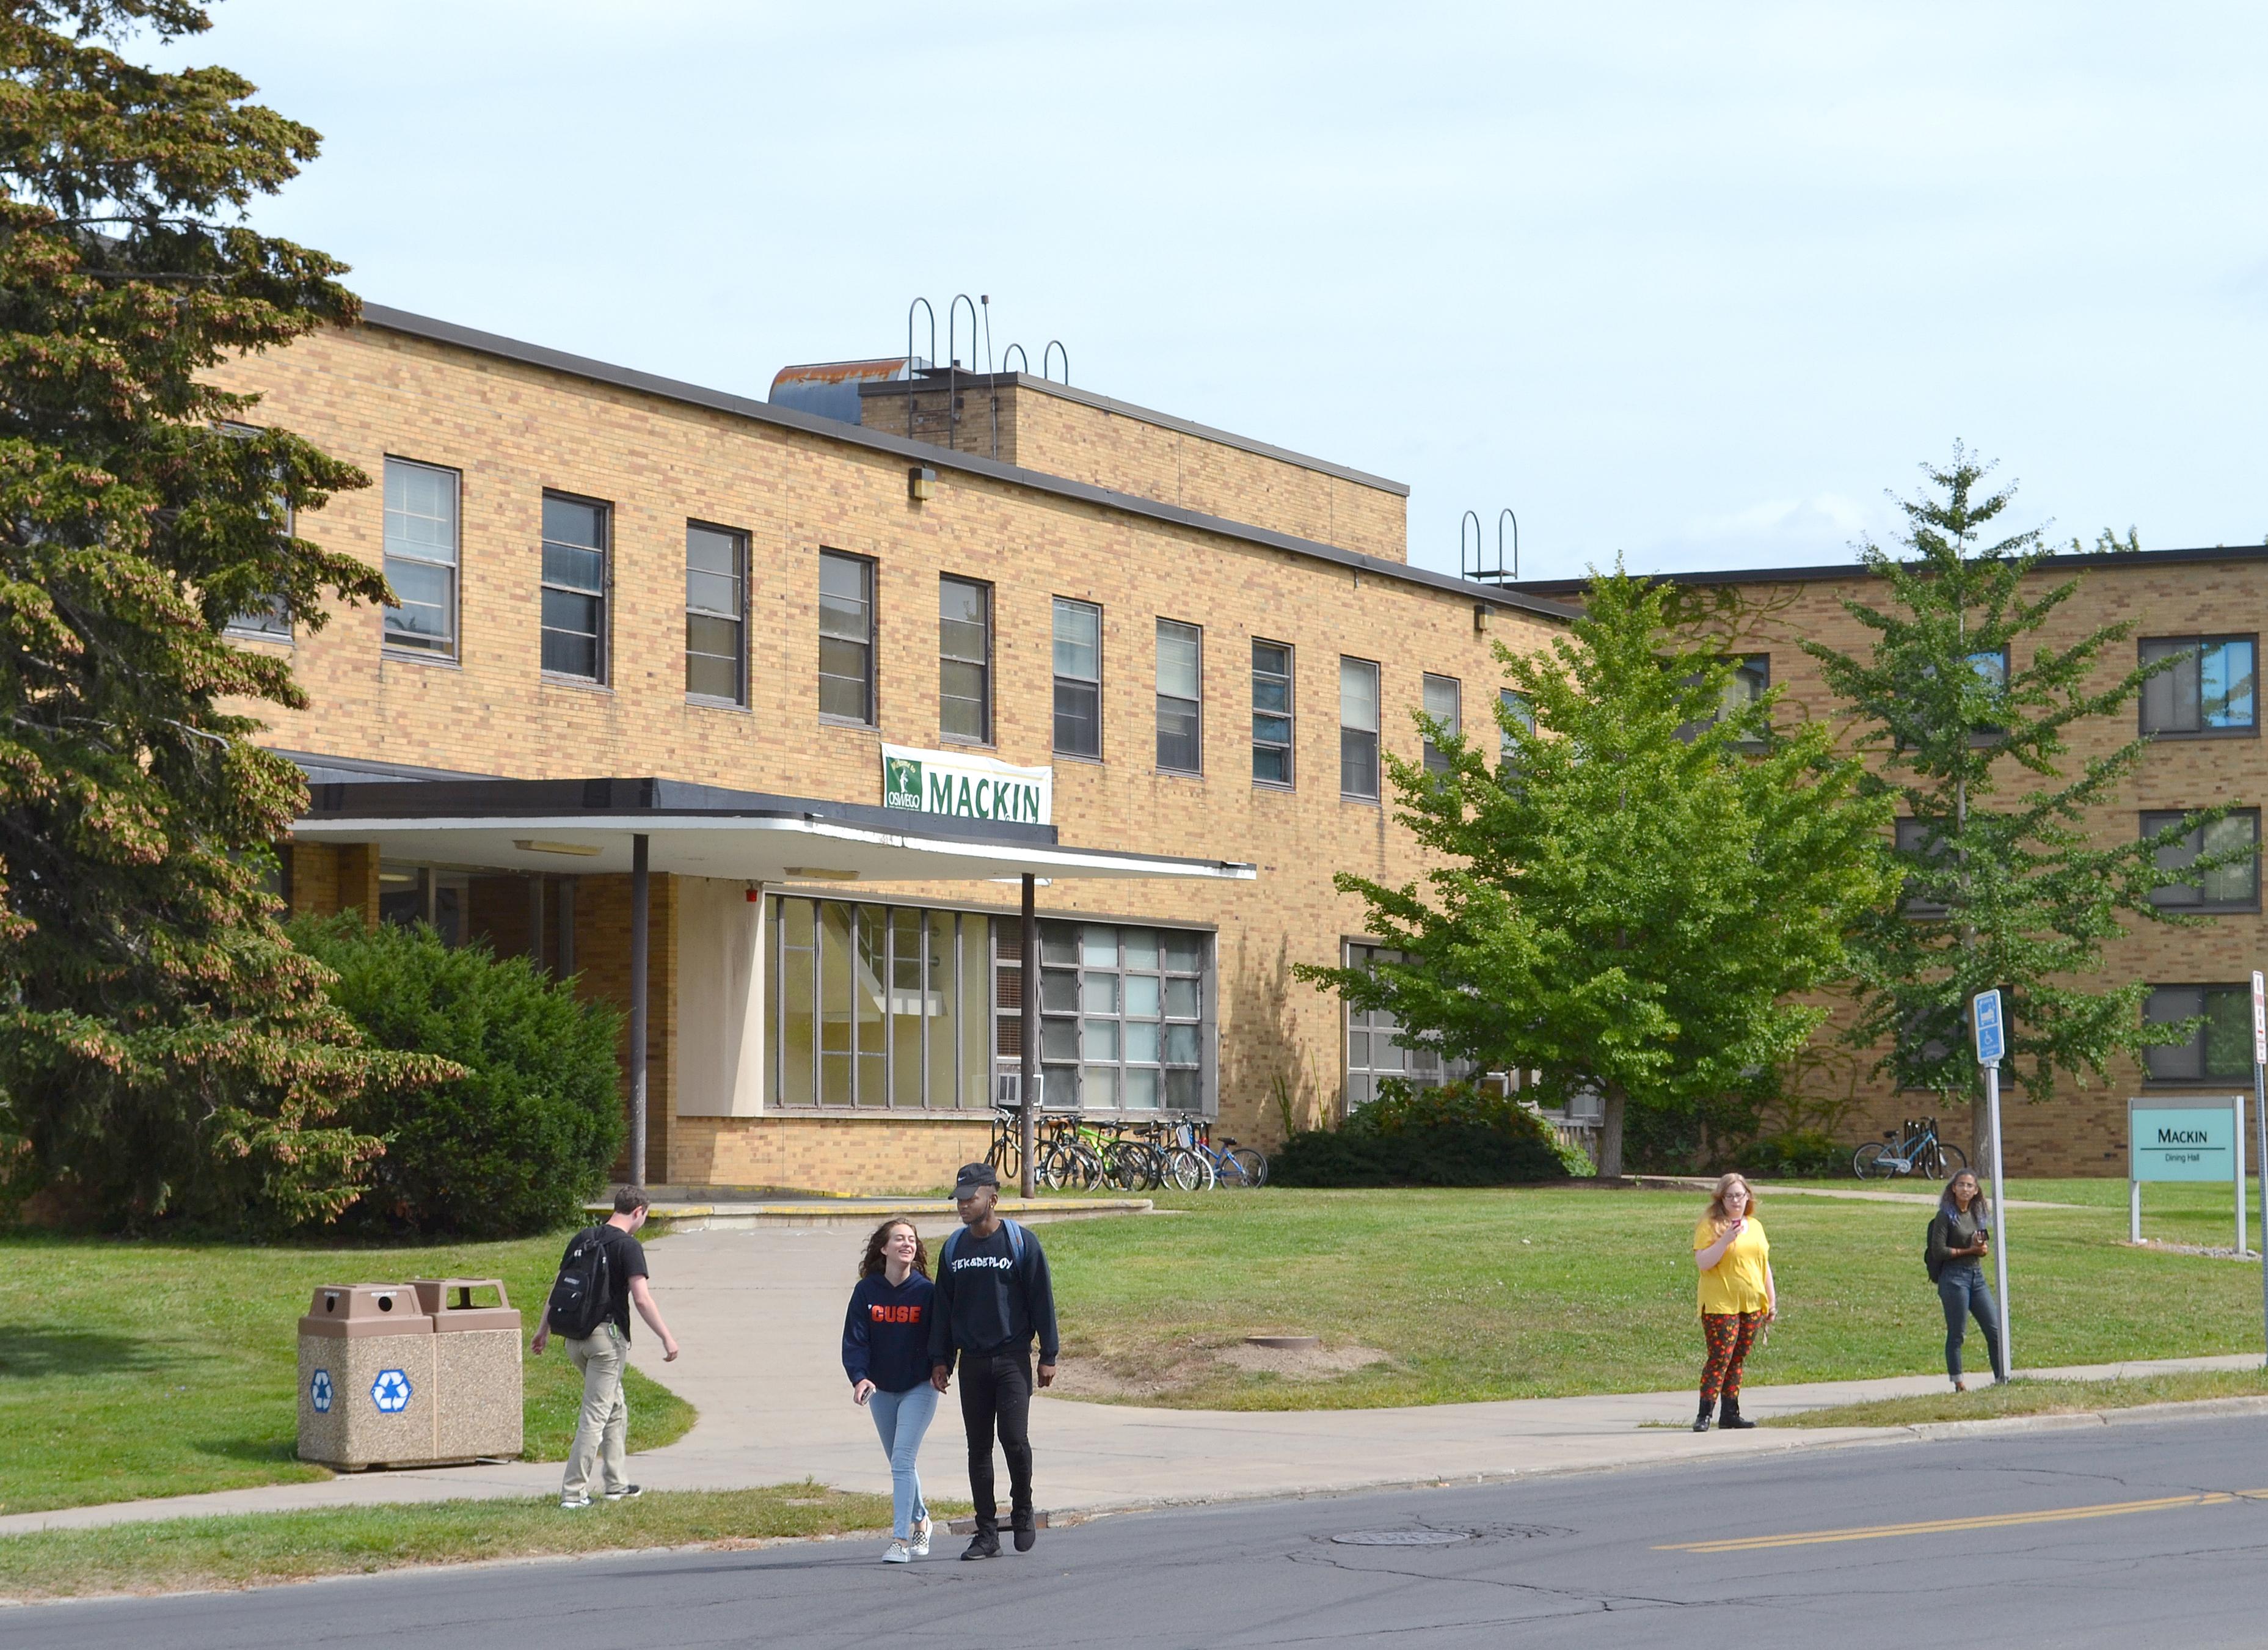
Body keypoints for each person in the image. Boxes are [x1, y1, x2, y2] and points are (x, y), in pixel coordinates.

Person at [928, 1162, 1058, 1560]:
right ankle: (986, 1532)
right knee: (978, 1447)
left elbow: (1042, 1300)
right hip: (973, 1362)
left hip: (1012, 1358)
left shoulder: (1020, 1243)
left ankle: (1022, 1508)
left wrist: (1048, 1354)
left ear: (992, 1198)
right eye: (959, 1200)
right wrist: (941, 1359)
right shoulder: (954, 1249)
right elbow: (943, 1309)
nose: (963, 1205)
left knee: (1014, 1440)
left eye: (971, 1198)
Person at [531, 1186, 681, 1509]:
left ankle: (616, 1484)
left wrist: (542, 1330)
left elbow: (559, 1287)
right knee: (595, 1415)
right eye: (646, 1216)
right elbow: (641, 1299)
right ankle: (573, 1493)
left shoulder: (583, 1237)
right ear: (639, 1212)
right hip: (606, 1342)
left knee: (615, 1406)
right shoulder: (628, 1247)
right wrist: (667, 1337)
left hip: (574, 1339)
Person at [844, 1218, 939, 1563]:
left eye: (911, 1239)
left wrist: (941, 1369)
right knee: (900, 1461)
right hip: (881, 1389)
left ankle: (901, 1539)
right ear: (884, 1248)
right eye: (899, 1239)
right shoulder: (867, 1292)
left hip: (919, 1387)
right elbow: (855, 1339)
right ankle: (921, 1519)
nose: (906, 1244)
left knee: (902, 1459)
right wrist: (860, 1377)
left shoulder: (927, 1293)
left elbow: (942, 1338)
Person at [1691, 1172, 1775, 1432]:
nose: (1736, 1201)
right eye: (1730, 1196)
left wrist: (1770, 1300)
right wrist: (1726, 1239)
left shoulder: (1756, 1226)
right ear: (1721, 1199)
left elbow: (1764, 1266)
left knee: (1737, 1360)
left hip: (1750, 1303)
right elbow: (1704, 1263)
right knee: (1720, 1358)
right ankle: (1705, 1413)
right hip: (1720, 1305)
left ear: (1748, 1196)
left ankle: (1730, 1413)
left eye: (1740, 1195)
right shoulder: (1711, 1225)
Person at [1927, 1169, 2006, 1391]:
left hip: (1976, 1277)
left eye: (1970, 1186)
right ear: (1953, 1188)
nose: (1965, 1189)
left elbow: (1981, 1248)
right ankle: (1958, 1382)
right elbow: (1938, 1251)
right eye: (1961, 1185)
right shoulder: (1946, 1215)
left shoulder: (1977, 1214)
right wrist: (1968, 1250)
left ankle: (2001, 1379)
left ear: (1976, 1191)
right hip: (1954, 1279)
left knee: (1995, 1331)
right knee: (1957, 1333)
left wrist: (1981, 1250)